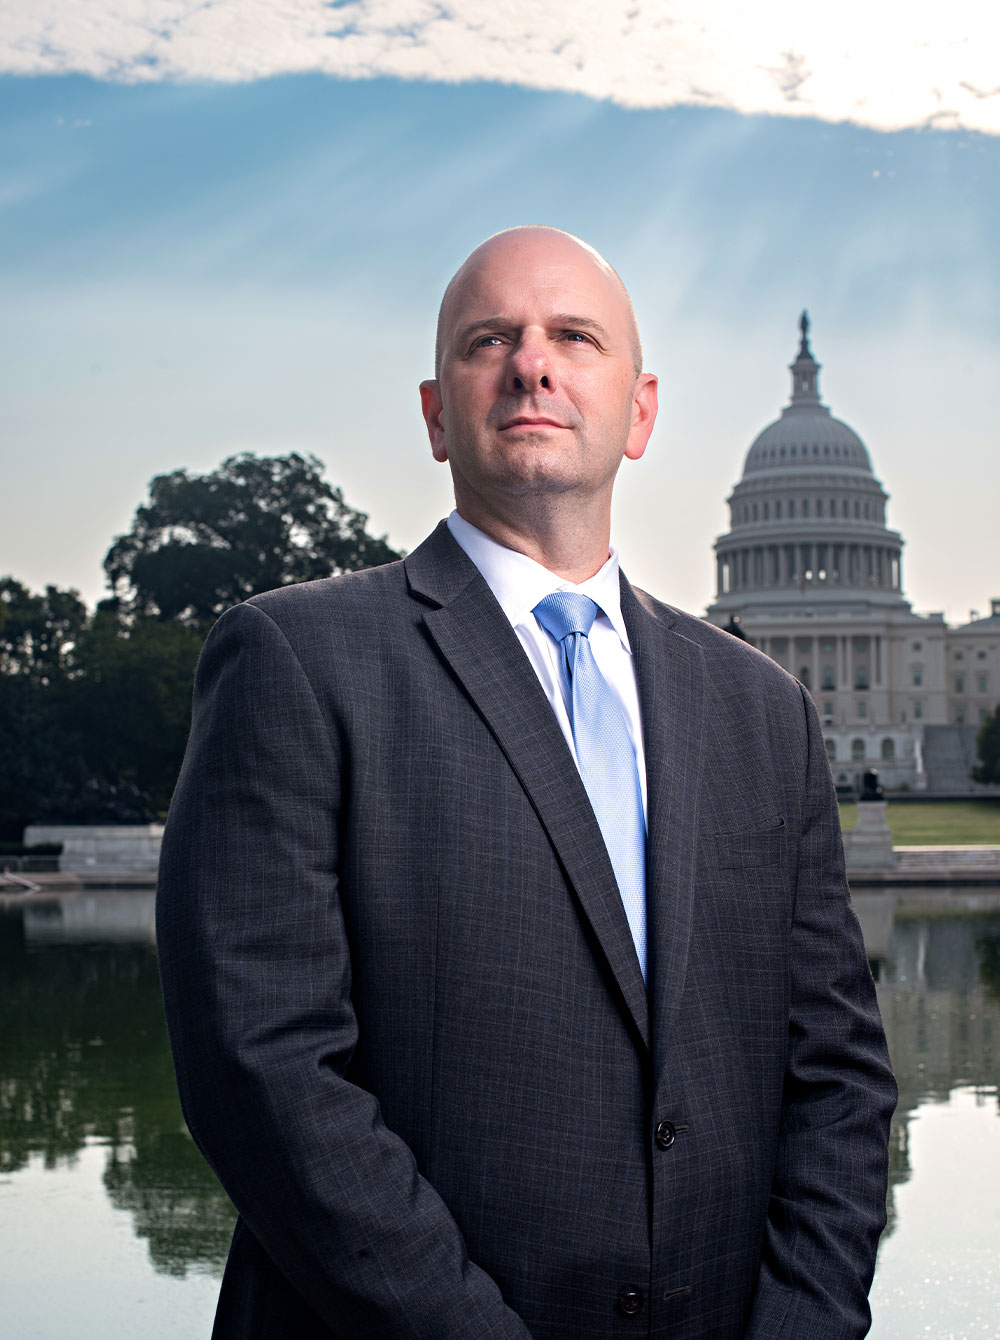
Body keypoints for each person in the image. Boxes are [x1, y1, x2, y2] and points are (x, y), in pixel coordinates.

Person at [157, 226, 896, 1339]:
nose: (532, 363)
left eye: (573, 337)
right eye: (489, 338)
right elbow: (261, 1071)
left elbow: (838, 1081)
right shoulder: (296, 658)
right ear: (433, 410)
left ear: (640, 411)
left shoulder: (762, 710)